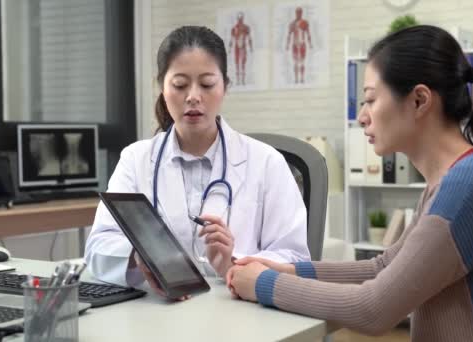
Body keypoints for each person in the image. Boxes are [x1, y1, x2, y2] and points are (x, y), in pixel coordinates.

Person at [227, 25, 473, 341]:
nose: (362, 116)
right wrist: (288, 271)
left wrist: (263, 284)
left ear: (419, 100)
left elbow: (373, 309)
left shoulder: (469, 185)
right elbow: (385, 266)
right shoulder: (456, 177)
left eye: (371, 100)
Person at [85, 26, 310, 299]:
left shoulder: (267, 163)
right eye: (180, 85)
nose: (193, 96)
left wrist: (234, 262)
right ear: (162, 87)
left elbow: (295, 258)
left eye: (206, 84)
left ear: (225, 86)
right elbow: (98, 246)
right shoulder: (136, 160)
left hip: (242, 318)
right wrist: (137, 257)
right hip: (158, 318)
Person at [285, 7, 312, 84]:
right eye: (297, 12)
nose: (298, 14)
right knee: (296, 62)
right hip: (295, 45)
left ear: (302, 13)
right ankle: (296, 79)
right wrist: (287, 44)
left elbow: (308, 34)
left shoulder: (305, 23)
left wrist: (310, 44)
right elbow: (289, 35)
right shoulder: (292, 24)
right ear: (295, 13)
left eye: (300, 12)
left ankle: (302, 78)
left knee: (302, 62)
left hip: (302, 44)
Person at [228, 12, 252, 86]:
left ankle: (243, 80)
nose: (240, 20)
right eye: (239, 18)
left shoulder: (246, 28)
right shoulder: (234, 28)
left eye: (241, 18)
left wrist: (251, 47)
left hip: (243, 47)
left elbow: (249, 38)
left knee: (243, 63)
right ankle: (238, 80)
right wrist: (230, 48)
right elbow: (231, 39)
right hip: (237, 47)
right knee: (237, 63)